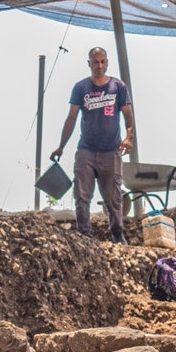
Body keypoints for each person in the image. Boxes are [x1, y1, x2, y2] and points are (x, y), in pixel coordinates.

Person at [49, 47, 137, 243]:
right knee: (82, 195)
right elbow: (71, 118)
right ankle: (85, 236)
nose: (99, 66)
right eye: (95, 62)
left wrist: (129, 137)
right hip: (86, 151)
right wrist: (61, 146)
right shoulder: (81, 88)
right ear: (88, 63)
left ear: (107, 62)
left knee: (114, 198)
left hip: (110, 151)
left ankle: (117, 234)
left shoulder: (118, 87)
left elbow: (128, 116)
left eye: (102, 61)